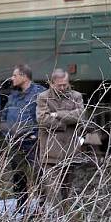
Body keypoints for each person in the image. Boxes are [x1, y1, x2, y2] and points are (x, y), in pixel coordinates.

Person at [36, 69, 85, 213]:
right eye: (59, 85)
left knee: (66, 191)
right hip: (50, 153)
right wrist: (65, 124)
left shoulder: (76, 96)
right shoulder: (43, 97)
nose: (63, 88)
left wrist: (57, 114)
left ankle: (63, 221)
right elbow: (42, 120)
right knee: (52, 191)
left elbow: (80, 115)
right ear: (52, 84)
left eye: (65, 84)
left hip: (70, 151)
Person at [1, 64, 45, 212]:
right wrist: (6, 134)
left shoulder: (40, 94)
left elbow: (45, 117)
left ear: (24, 76)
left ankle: (42, 207)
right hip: (15, 142)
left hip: (32, 142)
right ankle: (21, 206)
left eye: (14, 75)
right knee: (18, 176)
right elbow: (5, 116)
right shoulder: (13, 96)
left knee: (38, 174)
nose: (12, 78)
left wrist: (36, 135)